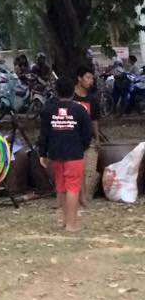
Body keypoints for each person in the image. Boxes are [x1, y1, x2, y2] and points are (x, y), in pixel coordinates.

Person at [39, 76, 92, 232]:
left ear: (56, 91)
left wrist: (43, 153)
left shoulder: (49, 109)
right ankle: (71, 225)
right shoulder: (80, 109)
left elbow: (44, 134)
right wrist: (82, 147)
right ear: (73, 90)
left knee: (61, 187)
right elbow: (87, 133)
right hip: (74, 154)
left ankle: (64, 221)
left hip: (56, 154)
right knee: (73, 188)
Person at [73, 65, 102, 206]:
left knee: (87, 170)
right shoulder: (70, 96)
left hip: (87, 139)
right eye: (88, 77)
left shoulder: (92, 99)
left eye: (92, 78)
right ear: (79, 78)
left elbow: (94, 120)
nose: (90, 81)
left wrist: (96, 138)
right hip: (71, 139)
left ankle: (84, 197)